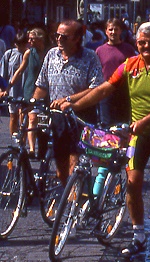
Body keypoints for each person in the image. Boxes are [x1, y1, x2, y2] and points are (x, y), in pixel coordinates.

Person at [69, 22, 150, 259]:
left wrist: (146, 121)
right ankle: (138, 235)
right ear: (136, 42)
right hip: (138, 134)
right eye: (142, 42)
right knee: (133, 182)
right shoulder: (130, 64)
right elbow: (105, 88)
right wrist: (75, 105)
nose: (147, 46)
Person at [33, 20, 104, 182]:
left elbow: (96, 88)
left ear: (77, 38)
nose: (58, 39)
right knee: (61, 169)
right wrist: (32, 107)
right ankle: (68, 200)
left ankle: (74, 202)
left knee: (74, 166)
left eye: (64, 37)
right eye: (56, 35)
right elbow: (42, 85)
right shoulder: (52, 55)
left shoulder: (89, 57)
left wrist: (68, 99)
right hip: (58, 117)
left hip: (80, 116)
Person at [95, 18, 139, 125]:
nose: (113, 32)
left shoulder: (128, 49)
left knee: (122, 124)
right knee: (105, 124)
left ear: (120, 31)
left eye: (116, 29)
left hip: (123, 91)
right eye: (110, 29)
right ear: (106, 31)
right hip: (105, 93)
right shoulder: (99, 50)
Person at [0, 30, 30, 142]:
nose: (20, 47)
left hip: (26, 89)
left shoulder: (30, 54)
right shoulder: (9, 54)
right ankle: (14, 137)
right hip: (12, 89)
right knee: (13, 115)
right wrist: (3, 90)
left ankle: (22, 139)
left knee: (23, 115)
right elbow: (2, 74)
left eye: (23, 44)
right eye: (18, 44)